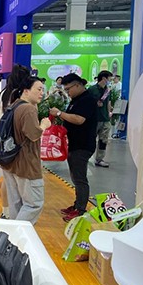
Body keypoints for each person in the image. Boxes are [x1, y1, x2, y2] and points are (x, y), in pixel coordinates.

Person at [1, 76, 51, 224]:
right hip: (26, 164)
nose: (41, 93)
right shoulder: (28, 109)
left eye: (42, 89)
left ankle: (12, 234)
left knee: (16, 204)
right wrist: (44, 125)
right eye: (38, 89)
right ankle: (16, 233)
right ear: (26, 90)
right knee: (33, 204)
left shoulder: (14, 105)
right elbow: (34, 135)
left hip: (11, 161)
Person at [52, 74, 98, 222]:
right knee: (75, 177)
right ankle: (77, 204)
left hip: (82, 145)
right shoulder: (76, 100)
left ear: (77, 85)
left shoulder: (88, 100)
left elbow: (79, 119)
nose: (67, 92)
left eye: (68, 89)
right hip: (74, 144)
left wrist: (60, 113)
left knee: (80, 178)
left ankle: (80, 209)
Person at [0, 64, 30, 218]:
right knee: (19, 180)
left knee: (7, 179)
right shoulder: (23, 95)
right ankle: (16, 212)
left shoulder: (4, 93)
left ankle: (6, 211)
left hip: (4, 142)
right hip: (20, 143)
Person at [88, 70, 113, 167]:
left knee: (103, 140)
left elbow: (108, 103)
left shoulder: (107, 90)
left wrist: (109, 113)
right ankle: (87, 156)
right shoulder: (92, 89)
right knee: (91, 139)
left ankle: (99, 159)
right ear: (104, 78)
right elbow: (87, 103)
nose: (110, 80)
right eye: (109, 78)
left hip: (105, 119)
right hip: (94, 119)